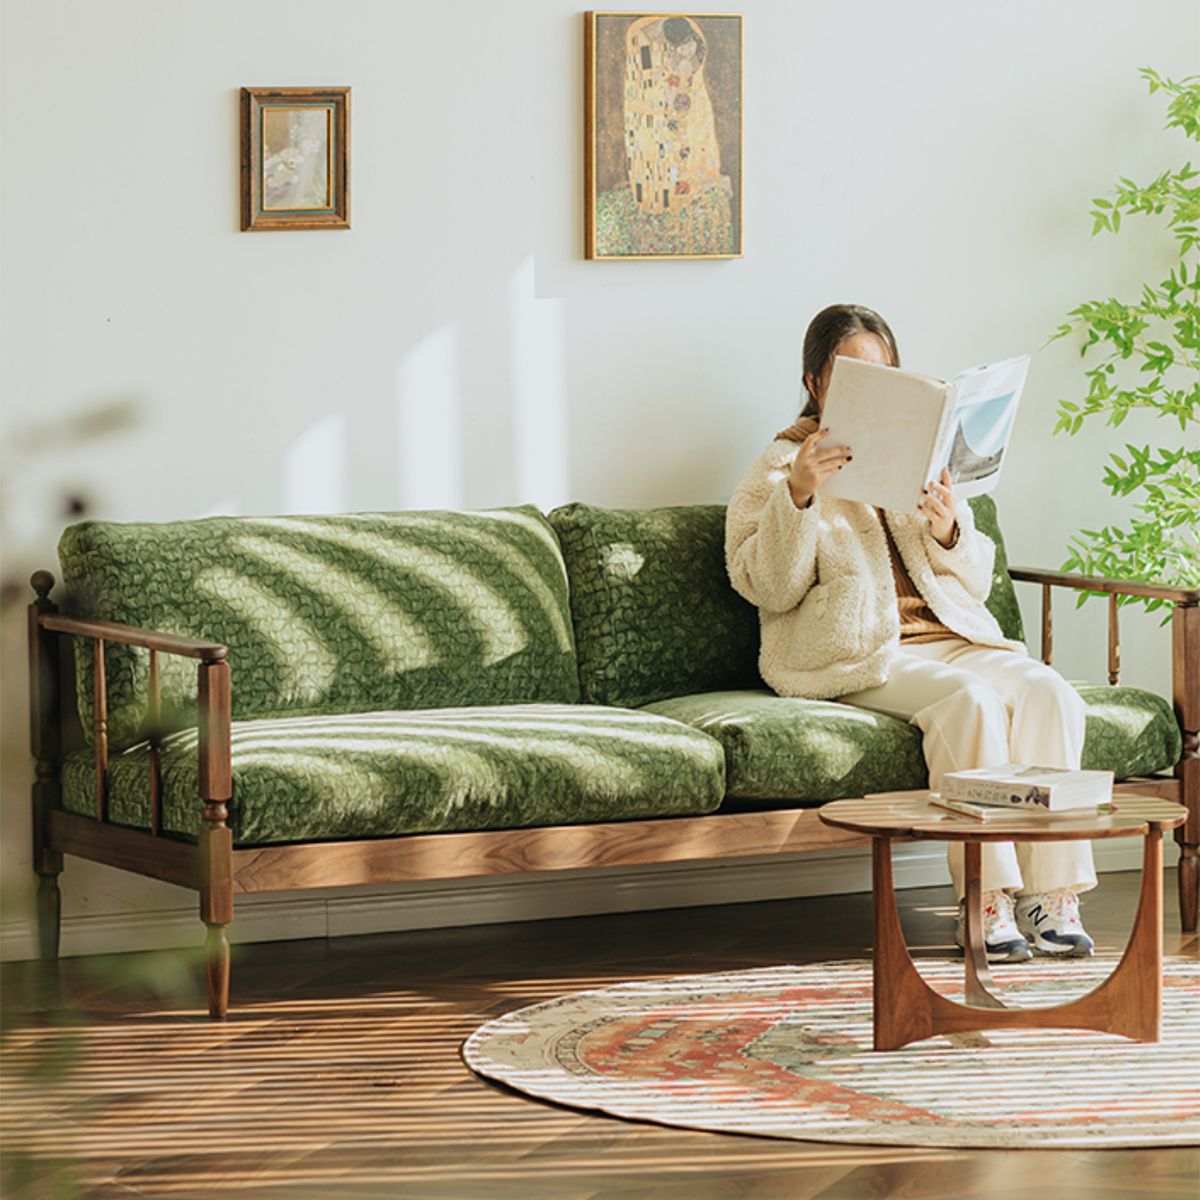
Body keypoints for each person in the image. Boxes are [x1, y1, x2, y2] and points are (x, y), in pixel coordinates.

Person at [725, 303, 1095, 962]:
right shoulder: (782, 463)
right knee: (970, 703)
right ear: (816, 382)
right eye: (852, 374)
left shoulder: (918, 452)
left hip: (948, 634)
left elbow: (974, 582)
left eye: (886, 372)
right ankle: (986, 899)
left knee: (1049, 692)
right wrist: (800, 498)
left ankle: (1052, 892)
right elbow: (766, 585)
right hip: (859, 650)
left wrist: (950, 527)